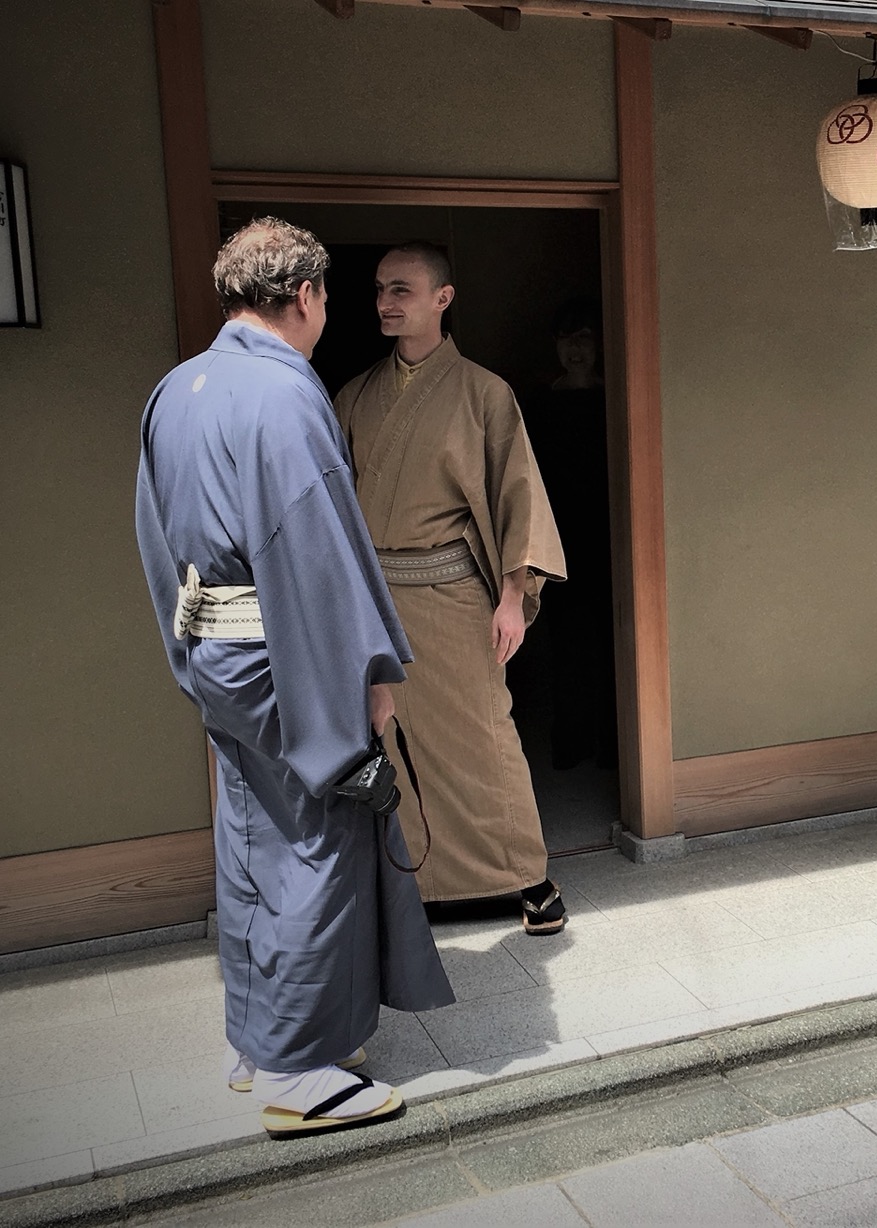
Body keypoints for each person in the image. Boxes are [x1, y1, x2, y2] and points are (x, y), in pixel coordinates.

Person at [134, 218, 455, 1138]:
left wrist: (190, 658)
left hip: (217, 654)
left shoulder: (176, 388)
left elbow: (154, 533)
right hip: (287, 657)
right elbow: (315, 544)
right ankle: (297, 1071)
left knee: (252, 837)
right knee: (322, 836)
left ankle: (256, 1039)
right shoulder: (283, 393)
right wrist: (367, 672)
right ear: (307, 296)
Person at [334, 242, 570, 934]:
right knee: (389, 738)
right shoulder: (354, 395)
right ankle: (418, 885)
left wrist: (512, 596)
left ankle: (528, 876)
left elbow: (518, 495)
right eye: (380, 289)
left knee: (483, 733)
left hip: (455, 595)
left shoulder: (484, 393)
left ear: (443, 298)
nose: (386, 302)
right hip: (376, 596)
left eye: (402, 289)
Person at [521, 298, 618, 771]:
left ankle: (616, 744)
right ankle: (572, 741)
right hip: (559, 536)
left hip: (613, 533)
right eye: (566, 339)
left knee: (614, 640)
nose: (575, 349)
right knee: (567, 642)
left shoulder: (616, 398)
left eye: (584, 338)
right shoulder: (538, 403)